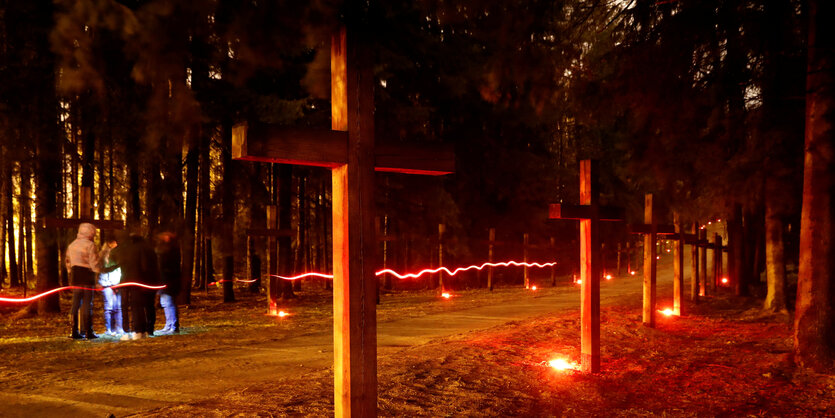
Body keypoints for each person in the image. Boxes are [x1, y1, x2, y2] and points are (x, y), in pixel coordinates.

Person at [111, 227, 160, 340]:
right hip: (147, 281)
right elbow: (151, 266)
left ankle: (133, 331)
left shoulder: (128, 249)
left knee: (132, 305)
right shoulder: (148, 248)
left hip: (133, 280)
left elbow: (115, 261)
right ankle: (147, 330)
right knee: (146, 306)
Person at [64, 223, 99, 340]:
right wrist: (98, 273)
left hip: (76, 276)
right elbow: (93, 262)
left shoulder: (72, 245)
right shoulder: (90, 245)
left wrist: (70, 272)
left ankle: (74, 331)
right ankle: (89, 331)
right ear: (90, 232)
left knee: (75, 303)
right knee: (87, 303)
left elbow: (67, 261)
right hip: (87, 276)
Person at [155, 231, 181, 334]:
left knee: (169, 303)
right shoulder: (166, 249)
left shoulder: (171, 250)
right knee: (165, 302)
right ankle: (169, 324)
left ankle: (174, 326)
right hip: (164, 280)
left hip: (169, 281)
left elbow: (168, 266)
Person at [98, 235, 124, 336]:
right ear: (110, 243)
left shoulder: (117, 254)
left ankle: (119, 328)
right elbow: (102, 269)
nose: (116, 245)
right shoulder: (103, 254)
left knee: (118, 307)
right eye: (115, 242)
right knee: (109, 307)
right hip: (106, 283)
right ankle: (109, 329)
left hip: (116, 282)